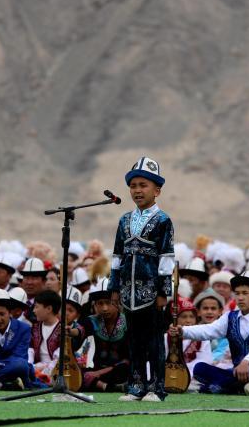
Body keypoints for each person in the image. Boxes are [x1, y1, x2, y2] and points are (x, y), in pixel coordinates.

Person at [109, 156, 174, 402]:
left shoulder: (163, 220)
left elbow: (167, 258)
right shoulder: (124, 220)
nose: (137, 190)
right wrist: (114, 287)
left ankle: (157, 387)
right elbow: (117, 256)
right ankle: (136, 385)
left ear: (157, 190)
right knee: (134, 340)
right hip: (128, 291)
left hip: (151, 291)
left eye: (143, 185)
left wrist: (163, 291)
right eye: (133, 185)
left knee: (154, 340)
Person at [170, 271, 249, 396]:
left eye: (245, 293)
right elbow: (209, 330)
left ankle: (224, 387)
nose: (240, 297)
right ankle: (242, 387)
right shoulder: (230, 317)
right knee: (200, 369)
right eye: (237, 293)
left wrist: (247, 362)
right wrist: (183, 330)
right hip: (235, 373)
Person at [79, 278, 129, 392]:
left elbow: (128, 358)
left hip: (118, 369)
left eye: (108, 303)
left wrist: (99, 373)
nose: (104, 308)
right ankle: (108, 387)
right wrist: (72, 332)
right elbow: (80, 331)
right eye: (100, 304)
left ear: (117, 302)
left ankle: (100, 385)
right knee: (77, 371)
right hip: (94, 370)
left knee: (126, 367)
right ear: (95, 305)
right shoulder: (91, 321)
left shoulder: (127, 322)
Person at [29, 290, 61, 379]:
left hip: (54, 369)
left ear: (49, 309)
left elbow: (58, 358)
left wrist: (45, 369)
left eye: (36, 307)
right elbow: (30, 350)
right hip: (36, 366)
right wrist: (29, 365)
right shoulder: (34, 328)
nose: (34, 311)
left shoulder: (63, 330)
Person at [19, 258, 48, 324]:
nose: (29, 282)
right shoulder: (15, 300)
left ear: (44, 281)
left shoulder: (47, 304)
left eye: (34, 278)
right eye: (26, 278)